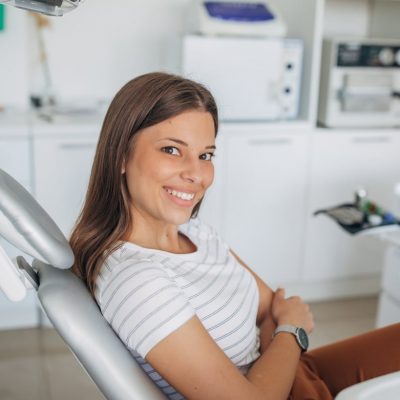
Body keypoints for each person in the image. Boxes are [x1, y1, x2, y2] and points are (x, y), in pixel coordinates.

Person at [70, 72, 400, 400]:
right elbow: (283, 319)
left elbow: (273, 307)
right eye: (171, 150)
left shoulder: (193, 230)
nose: (196, 173)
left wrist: (279, 333)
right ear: (121, 156)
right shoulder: (136, 280)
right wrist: (291, 332)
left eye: (206, 155)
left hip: (294, 375)